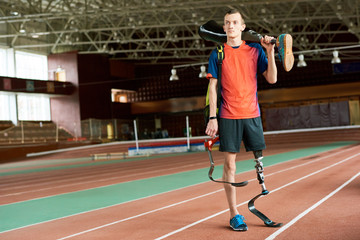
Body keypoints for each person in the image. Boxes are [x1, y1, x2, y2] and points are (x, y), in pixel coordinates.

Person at [205, 9, 277, 231]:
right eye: (227, 23)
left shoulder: (255, 49)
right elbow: (213, 87)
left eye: (235, 22)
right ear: (224, 27)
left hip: (252, 113)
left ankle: (257, 195)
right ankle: (234, 214)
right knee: (229, 165)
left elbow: (272, 79)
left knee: (259, 162)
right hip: (228, 115)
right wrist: (212, 117)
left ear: (243, 27)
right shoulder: (218, 53)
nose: (231, 26)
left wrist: (270, 51)